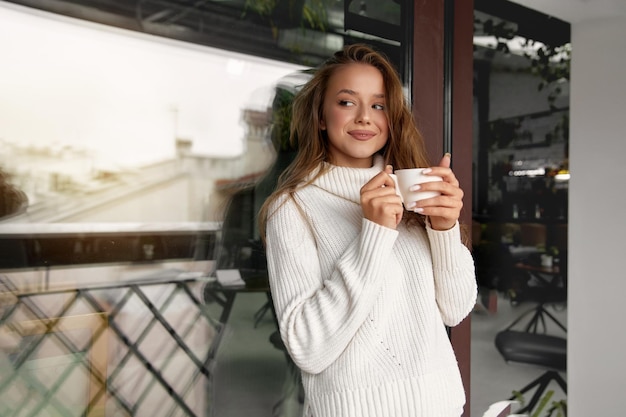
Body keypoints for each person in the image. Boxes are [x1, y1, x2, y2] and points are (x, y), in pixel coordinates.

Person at [259, 44, 477, 417]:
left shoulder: (411, 190)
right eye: (347, 102)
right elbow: (307, 347)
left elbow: (455, 310)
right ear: (321, 117)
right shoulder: (293, 207)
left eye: (378, 105)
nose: (364, 117)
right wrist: (373, 234)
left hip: (442, 407)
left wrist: (444, 228)